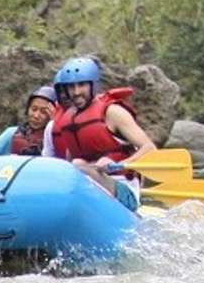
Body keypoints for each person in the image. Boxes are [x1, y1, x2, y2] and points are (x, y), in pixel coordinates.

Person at [49, 56, 154, 202]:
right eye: (71, 87)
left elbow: (149, 148)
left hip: (123, 190)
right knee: (77, 164)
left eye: (81, 85)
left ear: (93, 85)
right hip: (88, 187)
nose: (76, 92)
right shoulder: (68, 120)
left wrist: (119, 165)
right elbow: (71, 163)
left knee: (80, 167)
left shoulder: (112, 112)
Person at [0, 85, 58, 156]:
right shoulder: (12, 133)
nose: (36, 116)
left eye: (43, 112)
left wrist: (54, 125)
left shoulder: (54, 138)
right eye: (34, 109)